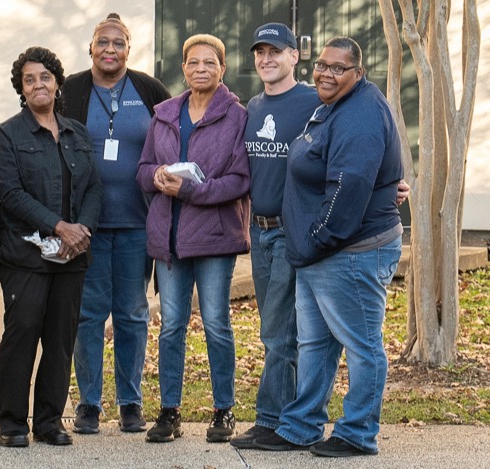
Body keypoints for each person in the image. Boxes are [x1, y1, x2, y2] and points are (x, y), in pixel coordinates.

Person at [253, 37, 403, 457]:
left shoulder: (361, 113)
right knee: (315, 344)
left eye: (339, 68)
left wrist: (317, 237)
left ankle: (357, 432)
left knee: (362, 344)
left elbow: (348, 186)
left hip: (349, 251)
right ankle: (302, 425)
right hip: (318, 254)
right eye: (322, 65)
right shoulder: (331, 106)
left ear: (359, 72)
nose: (327, 74)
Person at [136, 34, 250, 444]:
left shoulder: (237, 116)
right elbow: (144, 168)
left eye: (210, 62)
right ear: (183, 68)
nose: (201, 69)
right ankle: (169, 411)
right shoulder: (164, 114)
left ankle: (224, 411)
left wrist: (189, 190)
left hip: (215, 239)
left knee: (217, 324)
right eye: (193, 63)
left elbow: (239, 181)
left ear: (222, 69)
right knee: (171, 328)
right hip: (170, 237)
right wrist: (155, 177)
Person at [62, 13, 171, 434]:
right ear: (91, 48)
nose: (110, 50)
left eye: (118, 43)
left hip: (136, 223)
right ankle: (88, 403)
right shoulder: (70, 89)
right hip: (83, 226)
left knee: (131, 312)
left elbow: (176, 134)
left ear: (130, 49)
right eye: (102, 42)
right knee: (87, 314)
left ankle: (130, 402)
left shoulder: (148, 90)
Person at [0, 47, 102, 448]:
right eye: (29, 79)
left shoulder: (77, 132)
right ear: (22, 89)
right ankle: (11, 422)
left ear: (57, 83)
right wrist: (58, 226)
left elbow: (92, 187)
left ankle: (50, 420)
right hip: (27, 257)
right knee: (22, 334)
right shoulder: (8, 134)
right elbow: (11, 193)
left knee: (60, 338)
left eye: (45, 77)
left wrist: (82, 230)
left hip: (72, 257)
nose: (38, 84)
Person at [231, 23, 321, 448]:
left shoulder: (313, 101)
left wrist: (389, 179)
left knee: (281, 331)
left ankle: (274, 422)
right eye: (260, 52)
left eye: (276, 51)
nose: (266, 59)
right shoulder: (253, 105)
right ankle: (290, 418)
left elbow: (352, 140)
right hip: (259, 230)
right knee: (276, 326)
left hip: (291, 230)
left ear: (294, 57)